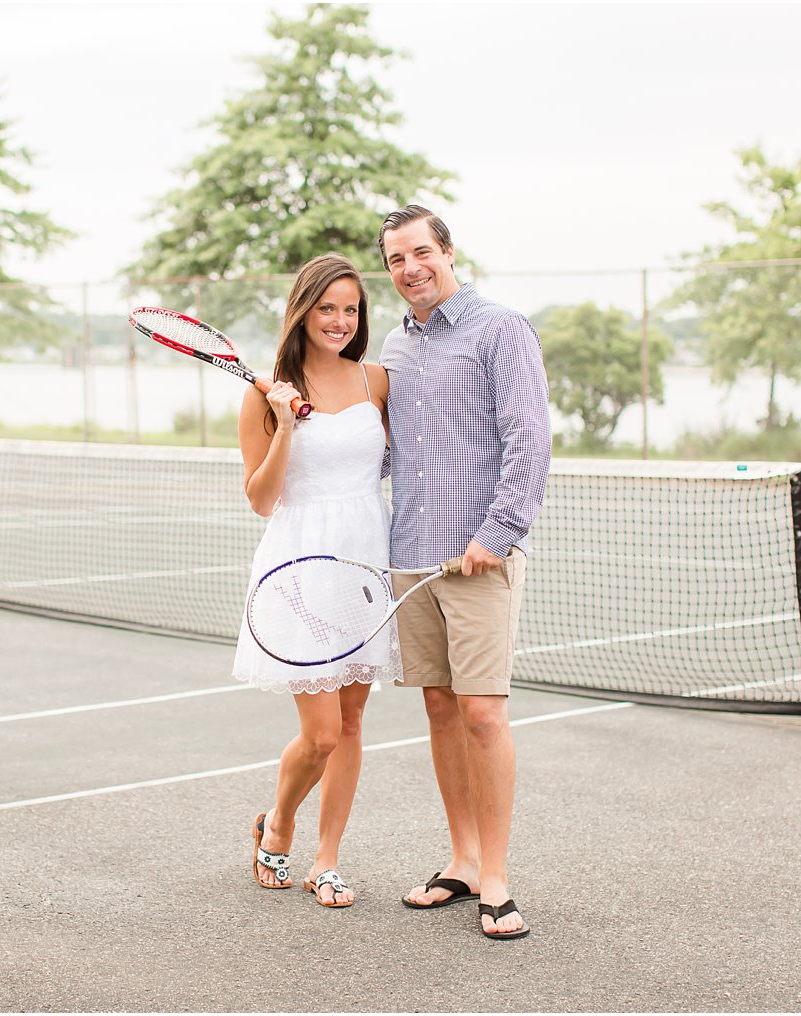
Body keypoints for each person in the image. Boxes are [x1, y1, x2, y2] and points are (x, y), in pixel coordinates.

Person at [377, 204, 552, 940]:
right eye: (395, 260)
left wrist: (498, 532)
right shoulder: (392, 344)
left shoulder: (500, 329)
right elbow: (385, 451)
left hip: (478, 560)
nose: (410, 269)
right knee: (441, 711)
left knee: (483, 713)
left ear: (448, 253)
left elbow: (529, 438)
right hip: (410, 558)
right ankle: (463, 861)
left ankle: (499, 878)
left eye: (421, 253)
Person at [232, 252, 400, 909]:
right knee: (322, 732)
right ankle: (279, 823)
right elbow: (262, 499)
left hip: (365, 563)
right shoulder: (262, 392)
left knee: (353, 724)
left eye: (351, 308)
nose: (339, 319)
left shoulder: (377, 382)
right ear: (302, 311)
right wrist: (284, 427)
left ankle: (326, 861)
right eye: (327, 307)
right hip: (297, 568)